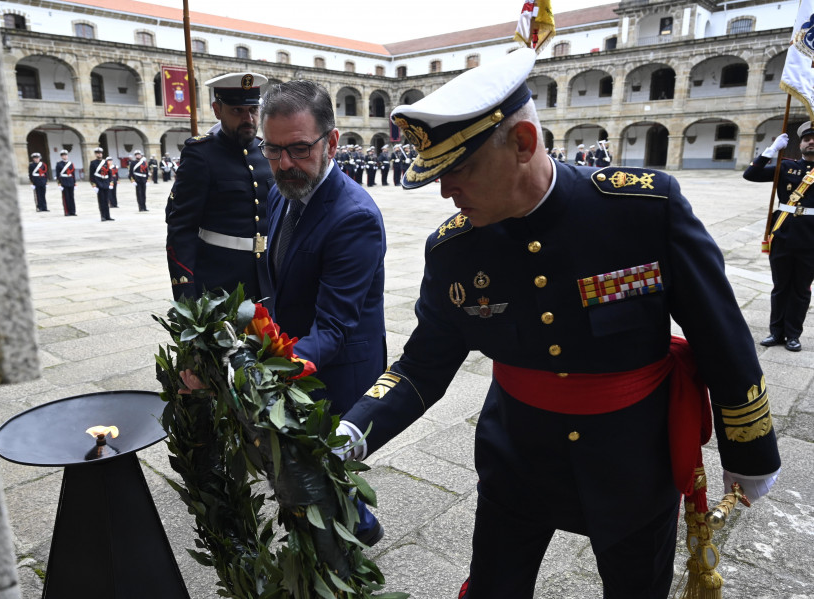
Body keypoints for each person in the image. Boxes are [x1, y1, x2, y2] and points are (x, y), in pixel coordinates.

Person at [332, 49, 780, 598]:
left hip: (633, 460)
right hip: (517, 457)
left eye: (459, 169)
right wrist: (349, 434)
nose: (445, 191)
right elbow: (422, 365)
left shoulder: (641, 210)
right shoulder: (454, 249)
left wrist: (750, 450)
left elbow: (722, 336)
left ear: (522, 143)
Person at [260, 79, 388, 546]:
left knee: (329, 479)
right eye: (272, 150)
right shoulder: (283, 191)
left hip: (337, 371)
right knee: (307, 479)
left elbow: (333, 326)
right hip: (297, 355)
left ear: (332, 141)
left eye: (297, 149)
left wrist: (267, 371)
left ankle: (357, 536)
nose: (284, 164)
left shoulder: (353, 216)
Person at [165, 72, 273, 305]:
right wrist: (187, 297)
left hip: (270, 278)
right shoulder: (200, 154)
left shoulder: (268, 152)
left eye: (253, 110)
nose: (249, 119)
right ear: (217, 110)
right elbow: (181, 229)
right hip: (221, 282)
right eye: (237, 111)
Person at [743, 122, 814, 352]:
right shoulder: (786, 167)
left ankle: (793, 334)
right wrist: (770, 150)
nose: (811, 142)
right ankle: (776, 332)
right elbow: (751, 174)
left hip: (811, 239)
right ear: (800, 144)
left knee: (801, 289)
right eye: (807, 139)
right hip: (783, 234)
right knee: (780, 286)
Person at [88, 148, 114, 222]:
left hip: (106, 183)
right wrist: (94, 186)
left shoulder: (106, 162)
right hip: (99, 183)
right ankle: (103, 216)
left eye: (100, 153)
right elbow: (91, 176)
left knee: (107, 201)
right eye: (98, 153)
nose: (99, 154)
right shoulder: (93, 163)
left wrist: (111, 182)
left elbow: (110, 173)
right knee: (101, 201)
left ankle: (108, 216)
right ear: (95, 154)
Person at [54, 149, 77, 216]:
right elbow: (57, 175)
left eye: (66, 155)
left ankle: (73, 211)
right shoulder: (59, 164)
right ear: (61, 156)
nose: (65, 156)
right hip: (63, 181)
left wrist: (74, 183)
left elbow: (73, 174)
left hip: (70, 181)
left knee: (71, 197)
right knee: (66, 197)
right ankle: (67, 212)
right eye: (63, 155)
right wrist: (59, 184)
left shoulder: (71, 163)